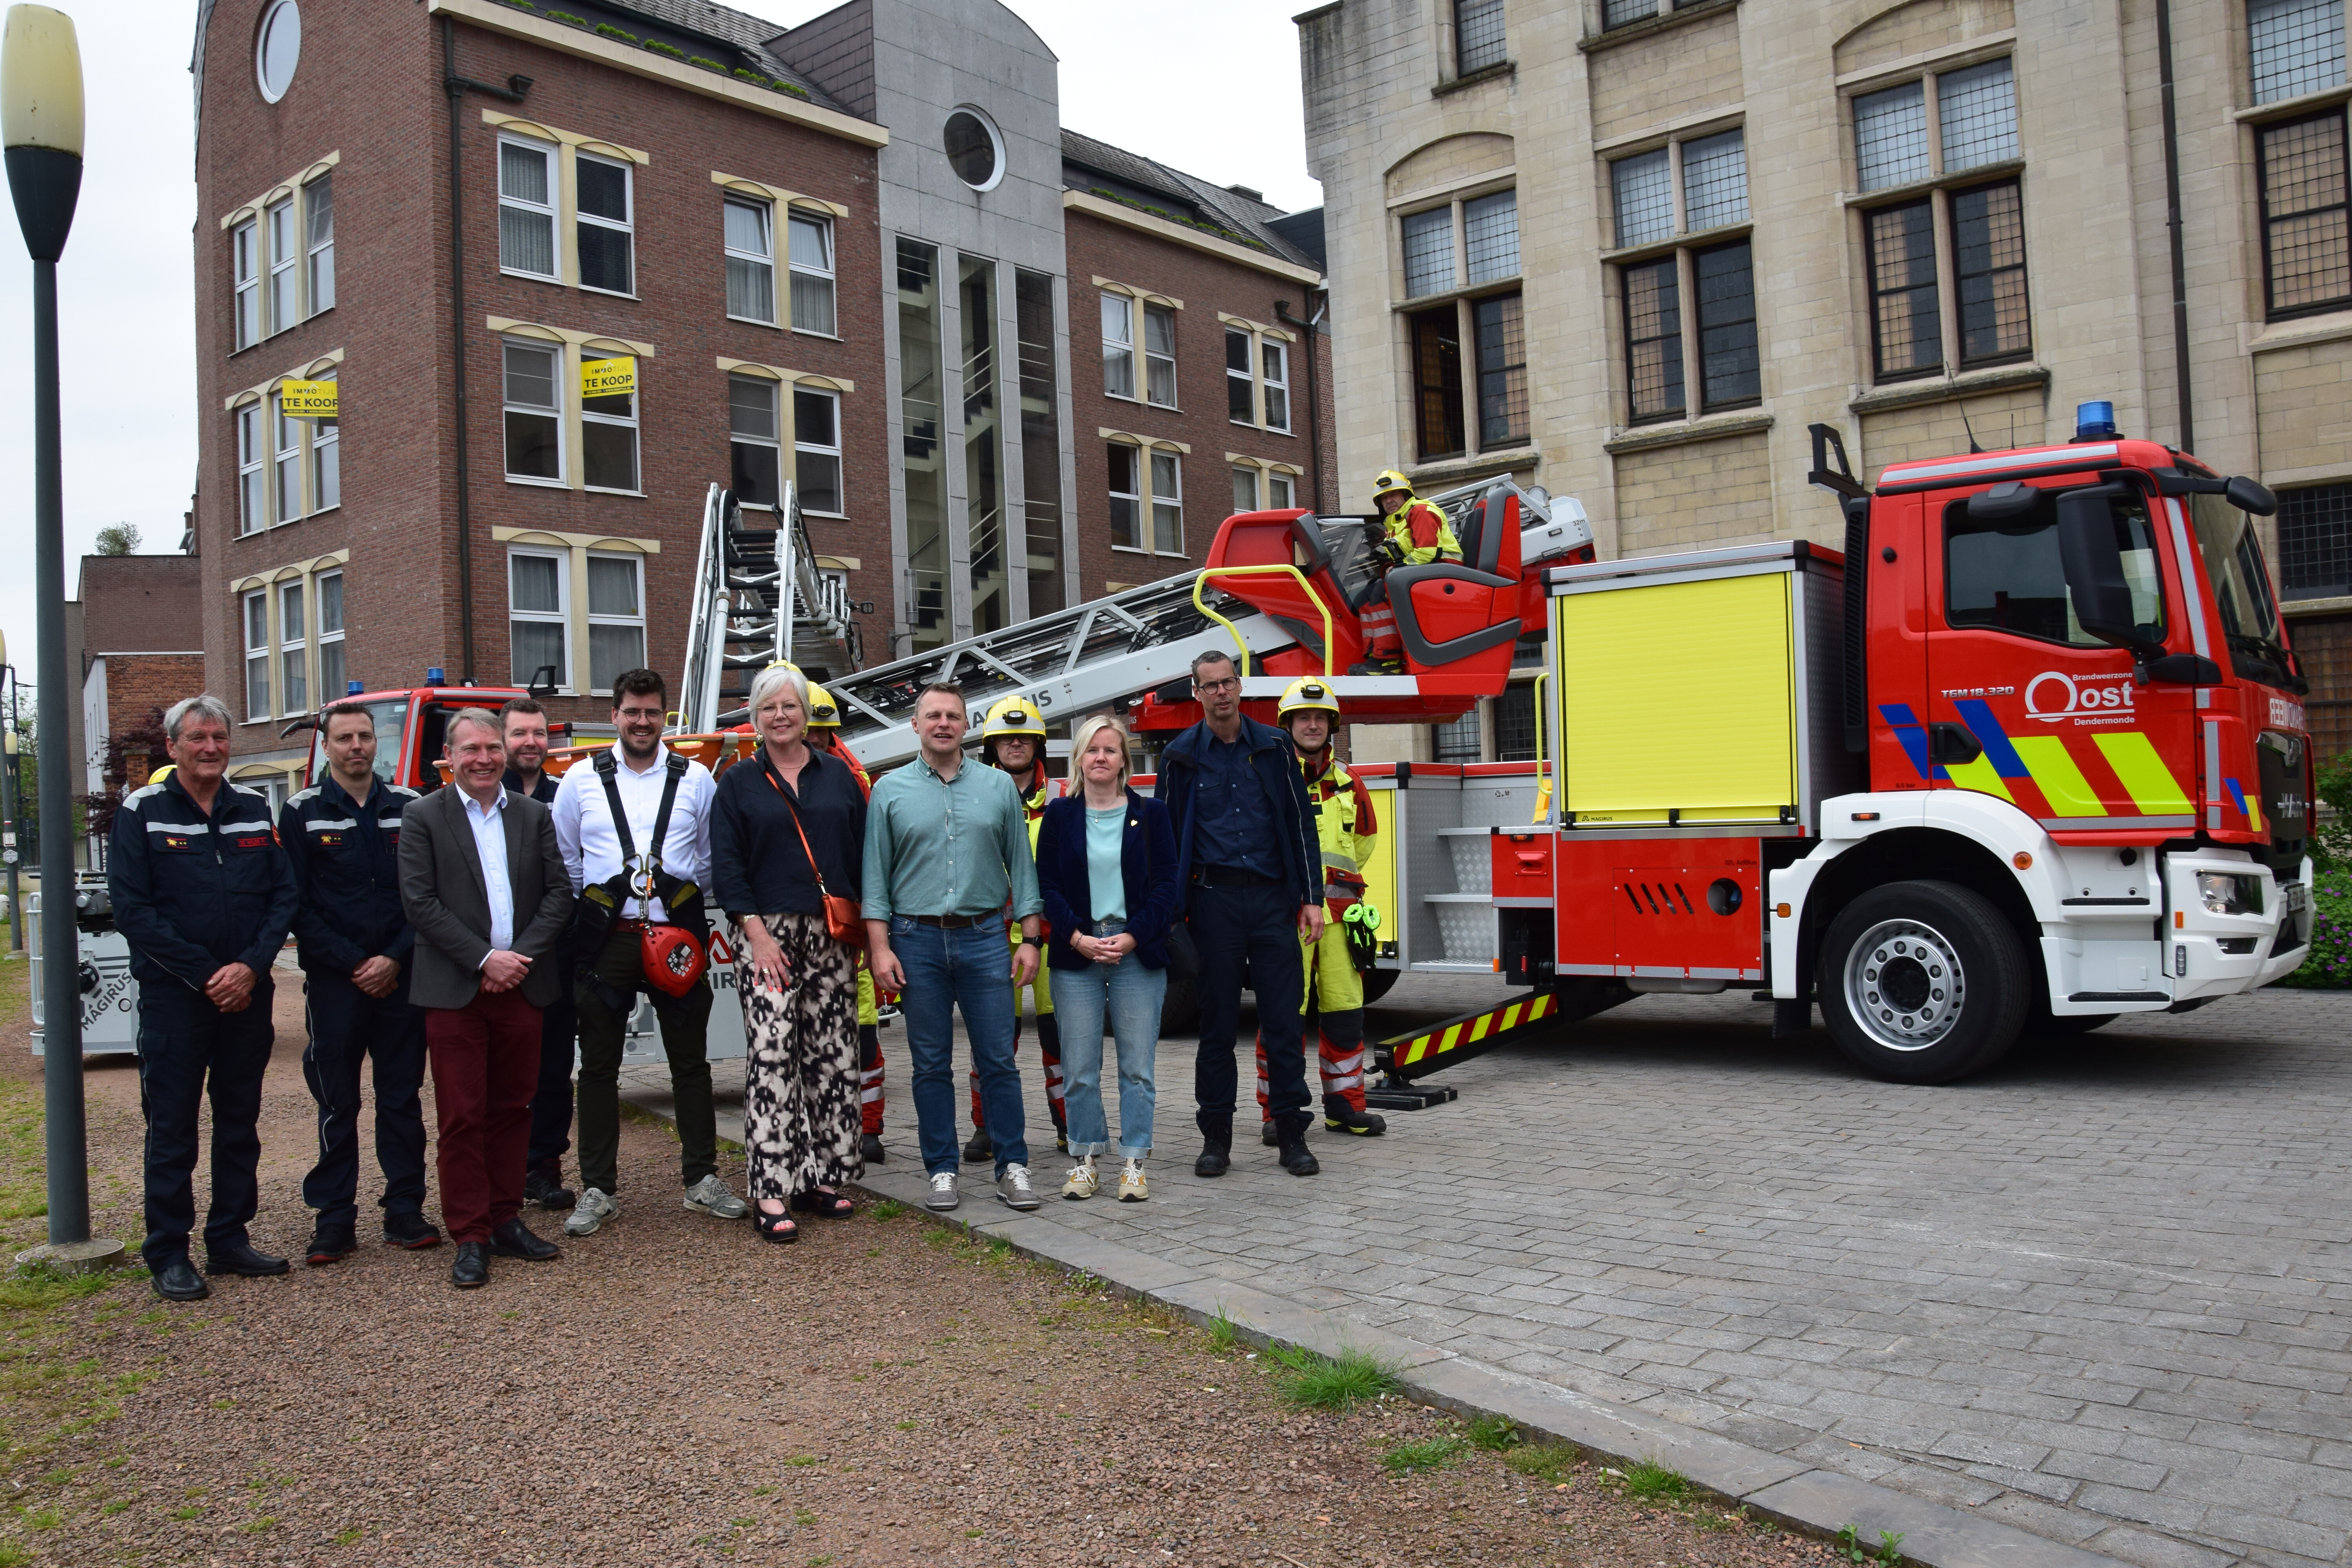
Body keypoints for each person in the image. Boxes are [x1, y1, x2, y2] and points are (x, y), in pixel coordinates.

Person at [109, 695, 301, 1303]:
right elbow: (134, 911)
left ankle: (229, 1238)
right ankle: (168, 1251)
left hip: (247, 996)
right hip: (177, 999)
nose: (212, 747)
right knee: (172, 1128)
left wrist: (248, 967)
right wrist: (208, 975)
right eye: (198, 738)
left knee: (239, 1121)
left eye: (219, 737)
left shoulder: (251, 809)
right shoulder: (142, 813)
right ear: (173, 747)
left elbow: (283, 897)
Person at [553, 668, 746, 1236]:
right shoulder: (579, 781)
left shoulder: (697, 780)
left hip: (678, 940)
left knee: (691, 1062)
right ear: (614, 715)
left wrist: (673, 902)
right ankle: (597, 1188)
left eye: (652, 713)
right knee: (598, 1067)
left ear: (666, 718)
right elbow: (567, 860)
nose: (642, 722)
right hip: (606, 942)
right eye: (632, 712)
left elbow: (711, 861)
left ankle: (702, 1180)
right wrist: (605, 906)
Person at [398, 708, 574, 1289]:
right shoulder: (423, 815)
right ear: (449, 757)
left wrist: (516, 958)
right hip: (456, 992)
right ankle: (470, 1234)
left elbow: (557, 893)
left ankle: (505, 1219)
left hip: (522, 986)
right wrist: (483, 959)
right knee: (461, 1116)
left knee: (512, 1109)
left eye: (492, 748)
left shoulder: (532, 815)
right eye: (471, 749)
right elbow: (421, 904)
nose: (484, 759)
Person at [862, 683, 1045, 1214]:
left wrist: (1030, 940)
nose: (943, 724)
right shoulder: (889, 792)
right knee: (929, 1065)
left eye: (953, 716)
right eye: (933, 716)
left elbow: (1024, 871)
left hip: (986, 937)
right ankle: (941, 1169)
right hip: (915, 941)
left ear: (967, 727)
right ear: (915, 726)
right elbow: (875, 879)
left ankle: (1013, 1165)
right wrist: (880, 948)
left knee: (999, 1061)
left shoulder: (998, 789)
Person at [710, 665, 869, 1243]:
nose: (781, 716)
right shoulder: (737, 783)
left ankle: (825, 1174)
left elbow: (860, 857)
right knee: (773, 1058)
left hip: (830, 932)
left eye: (791, 706)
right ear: (755, 717)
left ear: (807, 715)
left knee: (831, 1055)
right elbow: (726, 867)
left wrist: (865, 937)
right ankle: (773, 1186)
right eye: (770, 707)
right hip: (766, 936)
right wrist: (756, 936)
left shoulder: (839, 778)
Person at [279, 702, 440, 1267]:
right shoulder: (301, 812)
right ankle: (334, 1220)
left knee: (401, 1098)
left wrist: (393, 959)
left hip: (402, 979)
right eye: (345, 738)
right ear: (326, 746)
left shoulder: (411, 807)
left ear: (378, 744)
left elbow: (424, 895)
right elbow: (294, 904)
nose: (357, 747)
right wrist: (355, 964)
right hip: (336, 985)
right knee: (336, 1101)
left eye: (365, 737)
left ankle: (404, 1210)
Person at [1153, 650, 1324, 1179]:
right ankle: (1216, 1141)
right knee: (1218, 1029)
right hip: (1213, 906)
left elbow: (1301, 826)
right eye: (1211, 686)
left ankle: (1292, 1136)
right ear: (1197, 691)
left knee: (1283, 1024)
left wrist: (1312, 897)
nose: (1222, 693)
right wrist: (1169, 912)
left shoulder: (1274, 746)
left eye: (1229, 683)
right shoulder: (1180, 756)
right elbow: (1165, 841)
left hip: (1274, 903)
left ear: (1239, 687)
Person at [1033, 715, 1180, 1203]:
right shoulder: (1059, 815)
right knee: (1079, 1066)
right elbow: (1047, 886)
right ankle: (1086, 1159)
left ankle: (1135, 1161)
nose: (1100, 757)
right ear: (1079, 758)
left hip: (1136, 950)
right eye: (1092, 749)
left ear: (1125, 759)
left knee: (1137, 1066)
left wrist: (1134, 937)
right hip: (1077, 951)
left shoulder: (1152, 813)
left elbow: (1166, 887)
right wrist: (1077, 938)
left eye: (1110, 750)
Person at [1255, 679, 1387, 1144]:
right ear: (1287, 724)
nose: (1312, 725)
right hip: (1288, 920)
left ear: (1331, 726)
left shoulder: (1351, 784)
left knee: (1345, 1014)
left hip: (1341, 920)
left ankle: (1345, 1107)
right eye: (1302, 717)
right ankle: (1279, 1111)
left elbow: (1365, 844)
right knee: (1283, 1018)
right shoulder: (1269, 777)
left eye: (1320, 718)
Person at [968, 694, 1067, 1163]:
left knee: (1060, 1037)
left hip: (1052, 936)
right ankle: (987, 1127)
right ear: (991, 746)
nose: (1015, 744)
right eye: (1005, 737)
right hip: (990, 937)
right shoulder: (974, 795)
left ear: (1038, 744)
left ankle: (1070, 1124)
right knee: (992, 1040)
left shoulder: (1066, 798)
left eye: (1024, 736)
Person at [500, 697, 577, 1211]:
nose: (530, 742)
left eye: (538, 733)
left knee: (553, 1070)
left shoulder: (566, 795)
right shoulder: (482, 795)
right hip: (493, 959)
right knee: (502, 1072)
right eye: (519, 733)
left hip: (554, 956)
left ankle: (545, 1167)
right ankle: (503, 1169)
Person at [806, 682, 887, 1167]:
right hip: (798, 927)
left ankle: (869, 1129)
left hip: (849, 928)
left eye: (822, 732)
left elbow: (874, 857)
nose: (814, 741)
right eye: (809, 731)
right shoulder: (764, 773)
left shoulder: (854, 780)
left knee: (863, 1037)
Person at [1358, 470, 1464, 670]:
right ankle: (1375, 654)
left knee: (1382, 592)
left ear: (1406, 495)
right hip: (1425, 571)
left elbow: (1427, 552)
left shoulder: (1420, 511)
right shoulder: (1395, 522)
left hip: (1444, 571)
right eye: (1383, 498)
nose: (1388, 501)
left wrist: (1396, 571)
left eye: (1393, 495)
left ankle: (1388, 659)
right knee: (1366, 596)